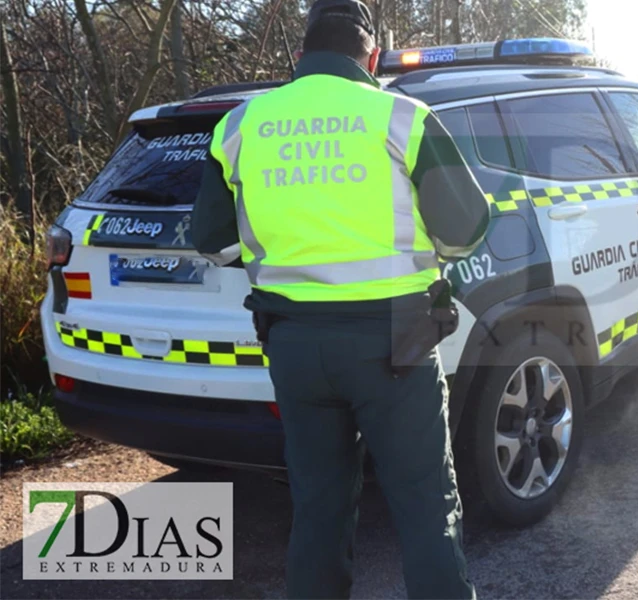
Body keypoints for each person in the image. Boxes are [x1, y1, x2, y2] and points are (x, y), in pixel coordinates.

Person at [190, 1, 490, 598]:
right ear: (371, 55)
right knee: (426, 507)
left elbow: (211, 240)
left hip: (294, 345)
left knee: (319, 509)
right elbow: (466, 229)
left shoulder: (242, 125)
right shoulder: (402, 117)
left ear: (300, 53)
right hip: (395, 346)